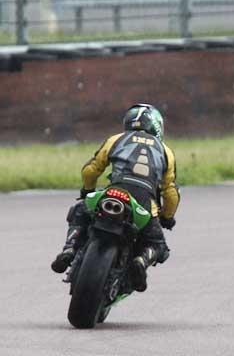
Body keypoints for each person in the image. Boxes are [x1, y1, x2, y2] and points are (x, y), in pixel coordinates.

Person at [51, 104, 180, 292]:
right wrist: (167, 217)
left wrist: (88, 191)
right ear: (157, 126)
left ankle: (69, 249)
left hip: (112, 195)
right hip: (143, 206)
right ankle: (141, 260)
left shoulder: (116, 139)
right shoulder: (166, 151)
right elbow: (170, 192)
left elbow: (91, 169)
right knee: (158, 246)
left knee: (80, 211)